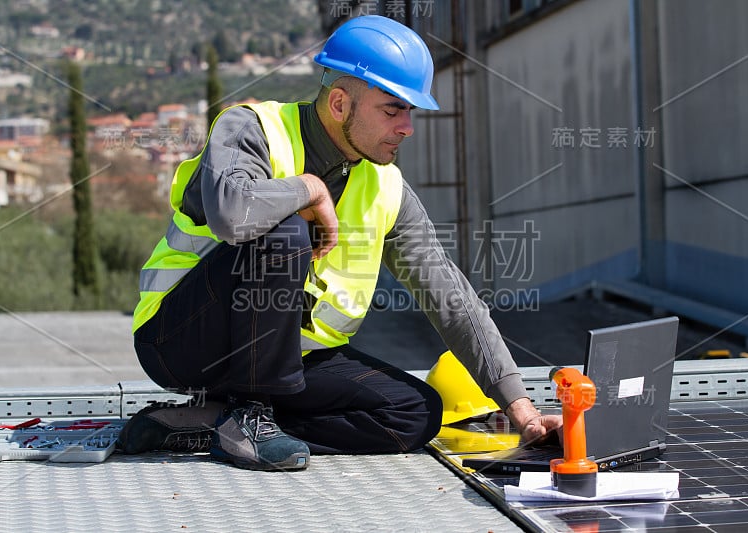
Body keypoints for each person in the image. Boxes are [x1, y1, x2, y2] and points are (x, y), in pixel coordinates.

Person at [118, 15, 562, 471]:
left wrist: (520, 408)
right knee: (285, 229)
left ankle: (212, 423)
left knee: (414, 413)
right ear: (338, 103)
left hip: (290, 360)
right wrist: (308, 188)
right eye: (393, 110)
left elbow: (451, 299)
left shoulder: (386, 187)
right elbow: (234, 215)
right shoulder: (250, 130)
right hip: (180, 341)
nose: (407, 127)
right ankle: (248, 417)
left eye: (410, 111)